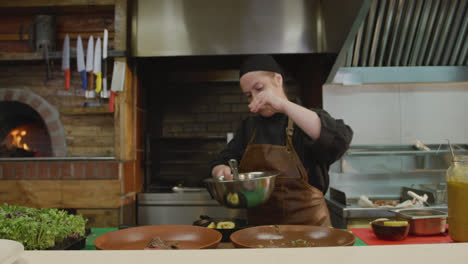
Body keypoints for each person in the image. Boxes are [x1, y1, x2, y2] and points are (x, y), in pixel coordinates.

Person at [209, 55, 353, 226]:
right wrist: (220, 170)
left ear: (278, 80)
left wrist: (283, 105)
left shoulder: (305, 119)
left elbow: (339, 139)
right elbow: (224, 160)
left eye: (260, 89)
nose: (255, 98)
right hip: (260, 232)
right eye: (248, 95)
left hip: (311, 233)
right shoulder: (249, 128)